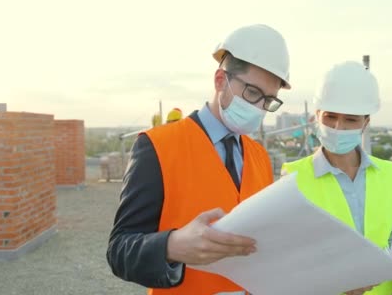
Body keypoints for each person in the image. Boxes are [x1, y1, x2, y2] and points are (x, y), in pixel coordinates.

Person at [106, 24, 291, 295]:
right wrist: (172, 246)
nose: (259, 108)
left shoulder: (259, 156)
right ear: (220, 80)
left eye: (269, 100)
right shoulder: (157, 145)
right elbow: (120, 251)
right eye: (252, 93)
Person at [281, 61, 392, 295]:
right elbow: (287, 260)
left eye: (350, 119)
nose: (338, 127)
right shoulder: (292, 179)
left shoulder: (388, 175)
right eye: (330, 117)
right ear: (317, 117)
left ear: (365, 123)